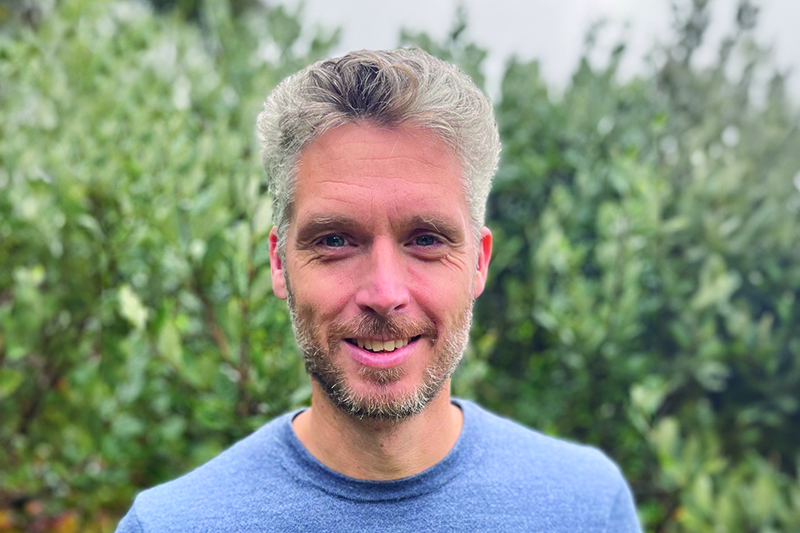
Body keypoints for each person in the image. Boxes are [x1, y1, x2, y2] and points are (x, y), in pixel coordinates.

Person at [115, 48, 641, 532]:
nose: (384, 292)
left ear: (478, 264)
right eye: (336, 240)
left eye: (426, 240)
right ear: (279, 263)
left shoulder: (587, 506)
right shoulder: (171, 524)